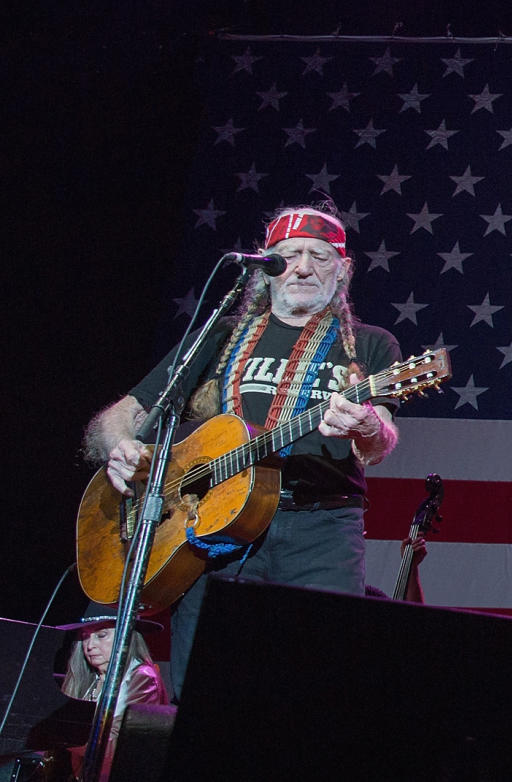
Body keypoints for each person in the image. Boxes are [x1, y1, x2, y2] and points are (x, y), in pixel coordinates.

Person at [82, 204, 401, 699]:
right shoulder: (220, 337)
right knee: (208, 689)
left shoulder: (369, 345)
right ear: (264, 267)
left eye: (319, 255)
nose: (302, 267)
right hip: (213, 530)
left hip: (319, 528)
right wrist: (120, 447)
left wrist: (364, 425)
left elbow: (381, 439)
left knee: (322, 682)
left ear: (342, 269)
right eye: (288, 255)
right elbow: (122, 414)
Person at [58, 606, 168, 780]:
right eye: (85, 637)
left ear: (126, 636)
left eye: (101, 635)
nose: (90, 645)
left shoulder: (142, 678)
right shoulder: (89, 679)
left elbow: (120, 745)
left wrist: (58, 737)